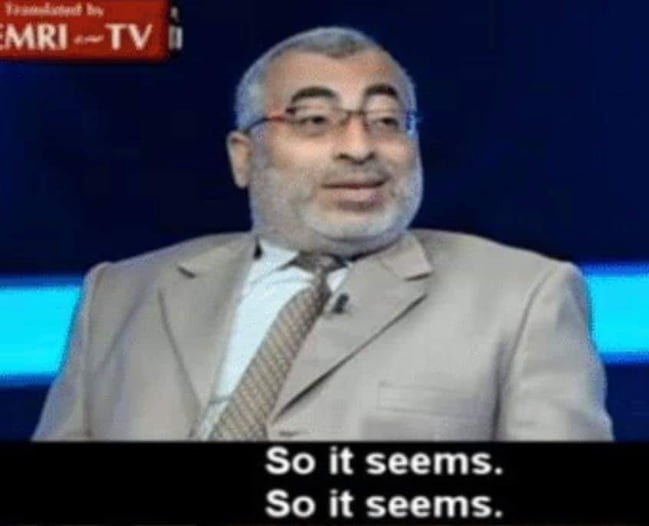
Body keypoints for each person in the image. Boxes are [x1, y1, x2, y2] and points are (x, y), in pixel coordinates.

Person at [33, 26, 613, 441]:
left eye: (386, 121)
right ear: (244, 156)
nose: (359, 148)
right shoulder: (118, 295)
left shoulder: (524, 297)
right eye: (314, 121)